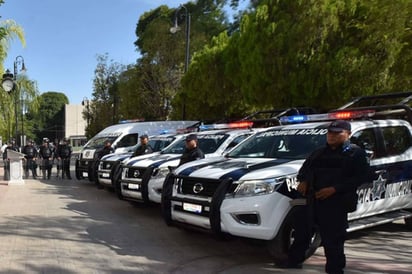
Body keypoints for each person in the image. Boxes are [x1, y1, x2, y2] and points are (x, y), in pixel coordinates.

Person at [279, 120, 370, 273]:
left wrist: (335, 189)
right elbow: (305, 169)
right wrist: (304, 180)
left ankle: (334, 269)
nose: (332, 136)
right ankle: (294, 260)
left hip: (335, 202)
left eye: (337, 133)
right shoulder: (319, 152)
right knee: (302, 232)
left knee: (333, 239)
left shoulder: (356, 154)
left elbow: (362, 177)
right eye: (330, 133)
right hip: (312, 200)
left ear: (347, 134)